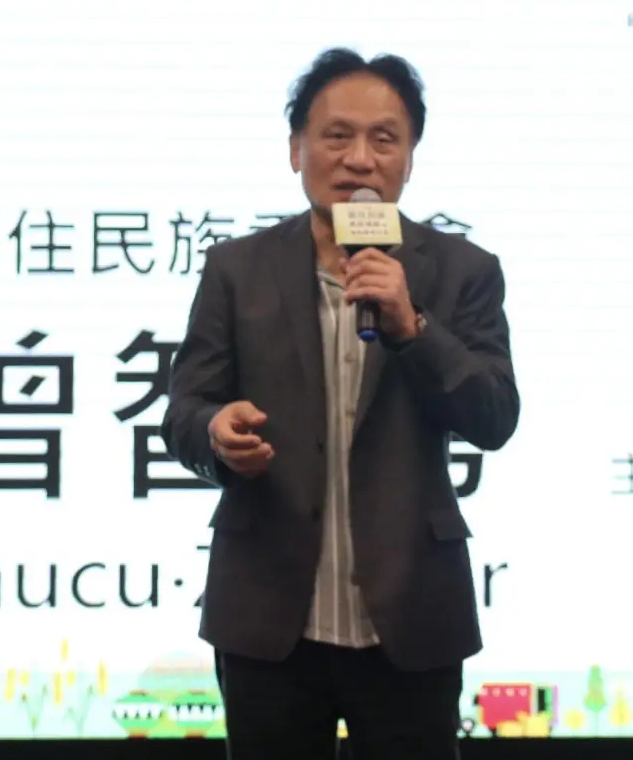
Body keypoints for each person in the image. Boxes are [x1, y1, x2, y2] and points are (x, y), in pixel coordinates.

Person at [160, 47, 522, 760]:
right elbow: (184, 409)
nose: (359, 158)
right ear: (296, 149)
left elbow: (493, 416)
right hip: (267, 614)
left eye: (384, 139)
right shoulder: (237, 268)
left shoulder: (463, 271)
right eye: (336, 135)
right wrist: (215, 432)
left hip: (410, 613)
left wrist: (413, 326)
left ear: (409, 159)